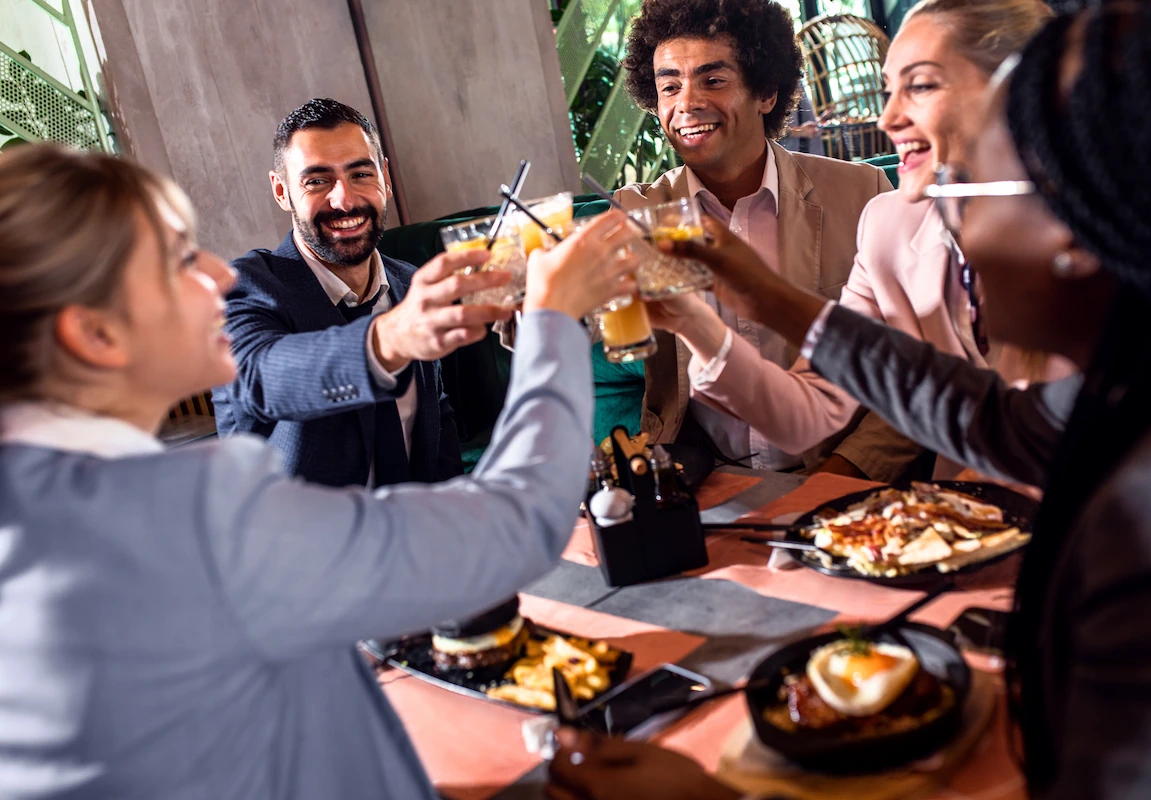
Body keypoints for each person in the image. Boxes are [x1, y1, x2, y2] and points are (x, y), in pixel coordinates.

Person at [548, 2, 1151, 797]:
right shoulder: (1133, 400)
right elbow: (992, 419)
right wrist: (751, 295)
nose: (952, 231)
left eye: (972, 187)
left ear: (1076, 227)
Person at [0, 143, 641, 798]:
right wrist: (553, 318)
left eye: (361, 171)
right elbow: (519, 521)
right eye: (180, 260)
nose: (216, 275)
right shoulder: (191, 514)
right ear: (95, 334)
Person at [648, 0, 1070, 482]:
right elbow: (807, 413)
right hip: (959, 529)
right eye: (889, 91)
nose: (888, 118)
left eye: (922, 85)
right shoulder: (888, 224)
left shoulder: (1107, 233)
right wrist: (693, 322)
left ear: (1019, 91)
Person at [613, 0, 893, 471]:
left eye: (713, 80)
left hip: (840, 470)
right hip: (706, 478)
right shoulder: (637, 213)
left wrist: (843, 472)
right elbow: (566, 325)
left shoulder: (863, 194)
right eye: (669, 86)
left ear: (766, 92)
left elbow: (908, 365)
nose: (686, 104)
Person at [212, 99, 501, 487]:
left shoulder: (409, 283)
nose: (344, 199)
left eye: (361, 174)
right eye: (317, 181)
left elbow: (436, 423)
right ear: (282, 191)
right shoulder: (245, 287)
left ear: (385, 176)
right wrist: (391, 339)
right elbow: (257, 377)